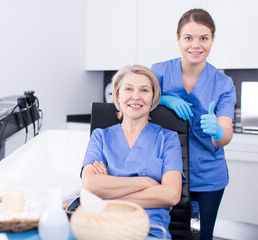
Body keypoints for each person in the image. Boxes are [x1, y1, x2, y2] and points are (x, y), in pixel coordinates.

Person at [151, 8, 236, 240]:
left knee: (200, 236)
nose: (195, 45)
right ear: (177, 39)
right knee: (162, 234)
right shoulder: (158, 72)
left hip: (207, 176)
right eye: (188, 37)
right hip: (163, 172)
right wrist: (163, 99)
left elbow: (225, 133)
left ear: (212, 39)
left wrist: (218, 131)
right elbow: (137, 104)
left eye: (203, 38)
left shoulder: (223, 84)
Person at [81, 65, 184, 239]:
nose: (136, 96)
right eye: (128, 89)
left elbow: (171, 195)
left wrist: (108, 198)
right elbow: (91, 185)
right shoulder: (100, 137)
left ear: (153, 98)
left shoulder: (168, 139)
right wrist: (147, 182)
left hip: (148, 229)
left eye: (144, 90)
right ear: (118, 95)